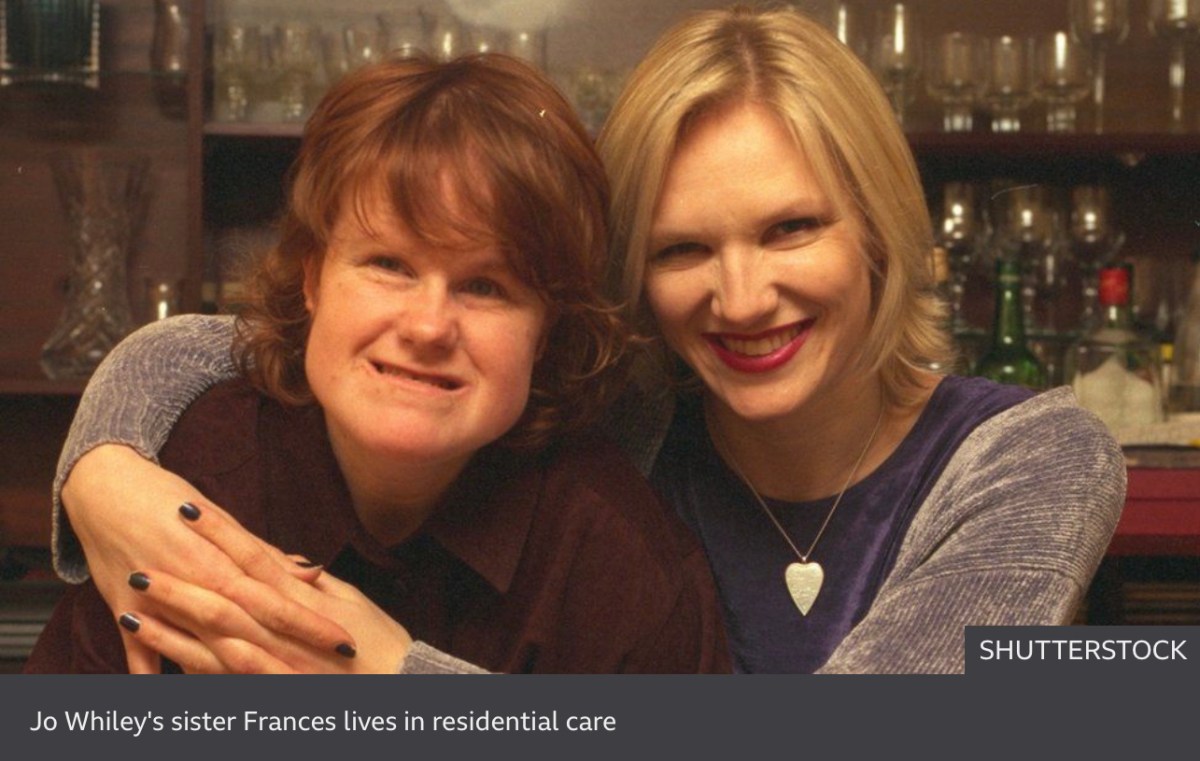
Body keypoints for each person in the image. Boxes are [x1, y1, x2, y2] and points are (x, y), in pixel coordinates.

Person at [43, 7, 1125, 674]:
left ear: (879, 229)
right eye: (683, 247)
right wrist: (106, 471)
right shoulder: (636, 407)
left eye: (791, 228)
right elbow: (240, 345)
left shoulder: (1036, 458)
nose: (743, 297)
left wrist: (386, 677)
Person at [24, 53, 729, 674]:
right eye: (389, 265)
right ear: (312, 279)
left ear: (547, 329)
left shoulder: (627, 565)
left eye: (486, 286)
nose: (428, 326)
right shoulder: (191, 469)